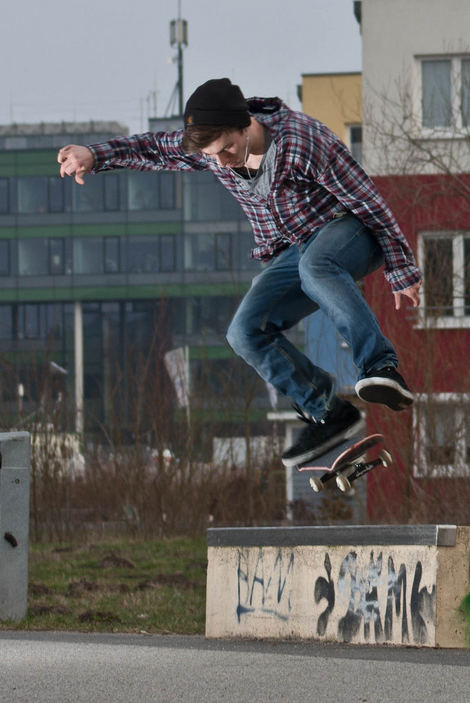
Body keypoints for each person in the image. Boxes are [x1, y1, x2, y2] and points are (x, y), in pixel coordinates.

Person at [55, 78, 420, 468]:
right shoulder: (212, 151)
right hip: (298, 248)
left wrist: (402, 268)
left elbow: (368, 200)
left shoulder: (303, 141)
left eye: (228, 148)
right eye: (214, 156)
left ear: (246, 124)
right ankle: (329, 410)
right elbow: (154, 148)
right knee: (244, 333)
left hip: (350, 230)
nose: (224, 161)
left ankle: (381, 367)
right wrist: (95, 155)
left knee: (317, 266)